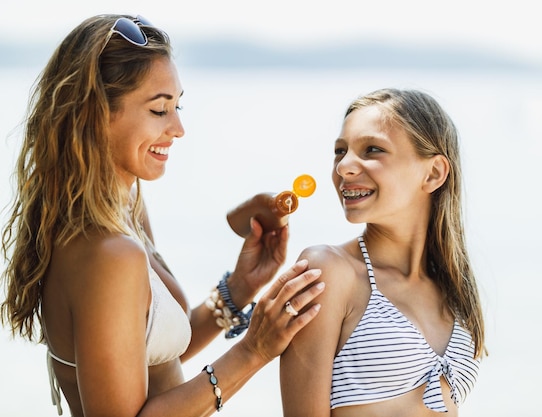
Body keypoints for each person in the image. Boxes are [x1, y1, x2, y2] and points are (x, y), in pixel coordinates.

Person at [0, 14, 325, 417]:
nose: (179, 128)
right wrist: (254, 349)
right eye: (159, 110)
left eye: (178, 105)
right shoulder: (107, 254)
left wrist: (240, 287)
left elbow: (147, 357)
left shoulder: (124, 207)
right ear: (96, 114)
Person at [280, 88, 486, 416]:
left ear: (433, 173)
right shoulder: (328, 272)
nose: (344, 167)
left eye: (372, 149)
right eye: (340, 151)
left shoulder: (454, 289)